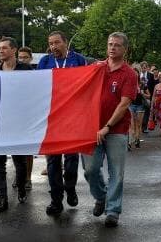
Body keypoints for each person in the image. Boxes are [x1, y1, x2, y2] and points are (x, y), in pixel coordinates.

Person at [82, 32, 137, 227]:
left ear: (125, 49)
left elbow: (124, 104)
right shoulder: (96, 68)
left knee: (117, 172)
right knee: (90, 169)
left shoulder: (130, 74)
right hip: (91, 128)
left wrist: (107, 127)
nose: (112, 47)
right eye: (110, 44)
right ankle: (101, 196)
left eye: (117, 45)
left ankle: (113, 210)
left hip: (116, 130)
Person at [37, 30, 86, 215]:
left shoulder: (79, 60)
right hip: (52, 117)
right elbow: (37, 85)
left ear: (65, 43)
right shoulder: (45, 62)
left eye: (57, 42)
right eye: (50, 43)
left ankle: (70, 188)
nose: (53, 47)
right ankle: (56, 200)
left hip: (73, 117)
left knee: (72, 158)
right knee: (52, 161)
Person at [0, 36, 32, 213]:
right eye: (0, 48)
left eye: (5, 48)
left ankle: (22, 187)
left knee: (19, 161)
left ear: (14, 50)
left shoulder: (26, 70)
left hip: (19, 122)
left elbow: (34, 92)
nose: (1, 50)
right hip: (0, 122)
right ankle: (2, 198)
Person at [17, 46, 34, 190]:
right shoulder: (12, 73)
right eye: (20, 57)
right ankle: (20, 176)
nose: (22, 60)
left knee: (28, 150)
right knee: (16, 150)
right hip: (16, 116)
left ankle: (28, 178)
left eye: (25, 57)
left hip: (30, 116)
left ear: (31, 59)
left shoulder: (36, 74)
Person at [129, 65, 150, 148]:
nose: (134, 74)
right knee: (131, 124)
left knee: (138, 124)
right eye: (133, 72)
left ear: (138, 74)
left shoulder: (142, 84)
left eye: (136, 72)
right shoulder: (129, 83)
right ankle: (130, 142)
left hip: (140, 105)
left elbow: (149, 95)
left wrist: (142, 93)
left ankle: (137, 140)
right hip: (131, 105)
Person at [140, 61, 153, 133]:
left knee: (147, 111)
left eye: (145, 67)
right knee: (139, 109)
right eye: (142, 67)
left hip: (148, 94)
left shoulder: (150, 75)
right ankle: (140, 125)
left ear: (147, 68)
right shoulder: (138, 75)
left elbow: (152, 85)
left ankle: (144, 127)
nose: (143, 69)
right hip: (139, 95)